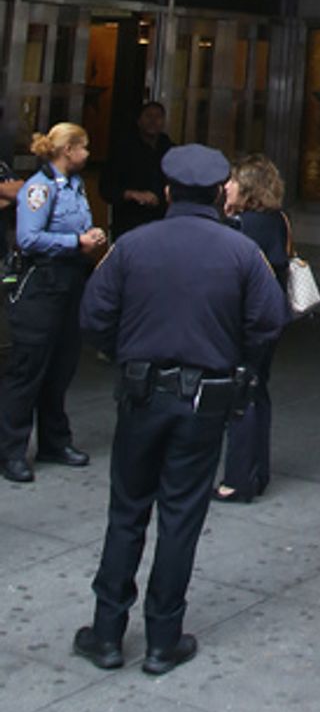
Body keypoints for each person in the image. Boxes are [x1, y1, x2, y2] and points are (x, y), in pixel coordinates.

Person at [75, 143, 287, 674]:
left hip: (142, 395)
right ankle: (162, 638)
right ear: (219, 193)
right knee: (180, 518)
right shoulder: (239, 252)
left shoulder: (133, 246)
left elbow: (94, 316)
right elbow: (269, 320)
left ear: (169, 192)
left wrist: (126, 348)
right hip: (204, 400)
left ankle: (106, 633)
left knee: (127, 512)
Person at [0, 122, 107, 482]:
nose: (88, 154)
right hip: (42, 284)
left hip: (71, 282)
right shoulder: (39, 188)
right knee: (28, 369)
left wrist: (91, 237)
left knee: (61, 366)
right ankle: (11, 449)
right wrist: (75, 243)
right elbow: (29, 239)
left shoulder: (75, 186)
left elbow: (80, 226)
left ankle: (54, 441)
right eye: (84, 147)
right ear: (68, 151)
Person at [216, 155, 290, 503]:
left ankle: (238, 479)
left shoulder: (238, 227)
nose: (225, 187)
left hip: (241, 321)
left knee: (239, 395)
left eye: (232, 181)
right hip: (270, 319)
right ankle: (258, 471)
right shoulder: (279, 220)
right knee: (258, 389)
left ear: (247, 188)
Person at [101, 100, 171, 239]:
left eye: (158, 117)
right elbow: (106, 189)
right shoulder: (122, 150)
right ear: (139, 121)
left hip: (163, 222)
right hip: (130, 223)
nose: (153, 121)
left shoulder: (170, 150)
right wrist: (133, 194)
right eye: (148, 116)